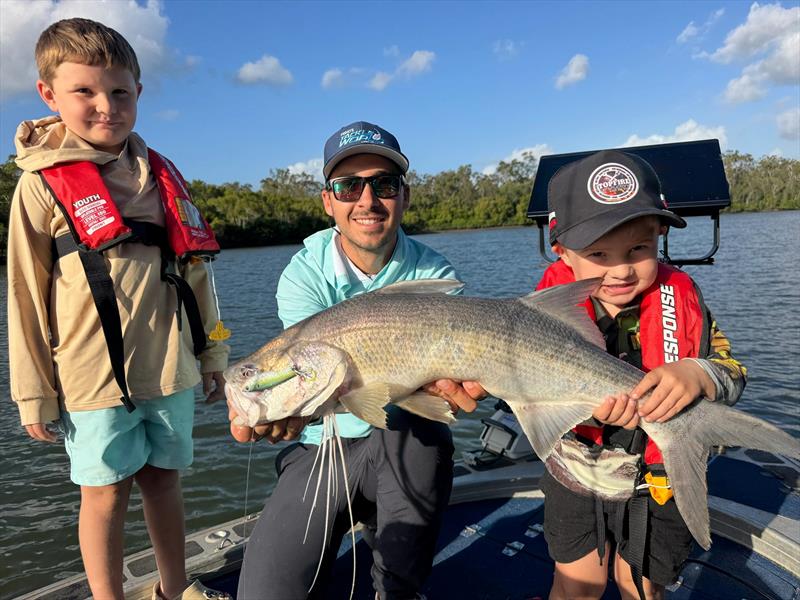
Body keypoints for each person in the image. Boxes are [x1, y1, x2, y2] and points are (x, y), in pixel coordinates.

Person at [7, 18, 231, 600]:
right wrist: (34, 390)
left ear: (138, 92)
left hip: (170, 367)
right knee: (104, 493)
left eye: (120, 91)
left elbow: (195, 272)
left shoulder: (161, 176)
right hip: (91, 378)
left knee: (165, 482)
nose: (105, 106)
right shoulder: (40, 184)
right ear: (48, 94)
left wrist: (213, 352)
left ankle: (176, 588)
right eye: (84, 91)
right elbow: (26, 297)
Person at [228, 121, 484, 600]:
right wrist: (280, 405)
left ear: (404, 197)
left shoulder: (435, 271)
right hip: (324, 446)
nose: (367, 201)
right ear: (329, 202)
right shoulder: (302, 274)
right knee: (266, 592)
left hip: (410, 436)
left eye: (384, 185)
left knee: (399, 577)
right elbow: (308, 377)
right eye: (348, 186)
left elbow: (450, 386)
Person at [536, 150, 747, 600]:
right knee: (577, 585)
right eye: (598, 253)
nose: (621, 269)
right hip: (577, 473)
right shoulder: (541, 315)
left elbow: (734, 372)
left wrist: (698, 372)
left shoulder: (683, 302)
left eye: (639, 248)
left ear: (660, 236)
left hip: (657, 480)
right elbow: (522, 396)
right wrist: (577, 408)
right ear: (562, 253)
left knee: (641, 587)